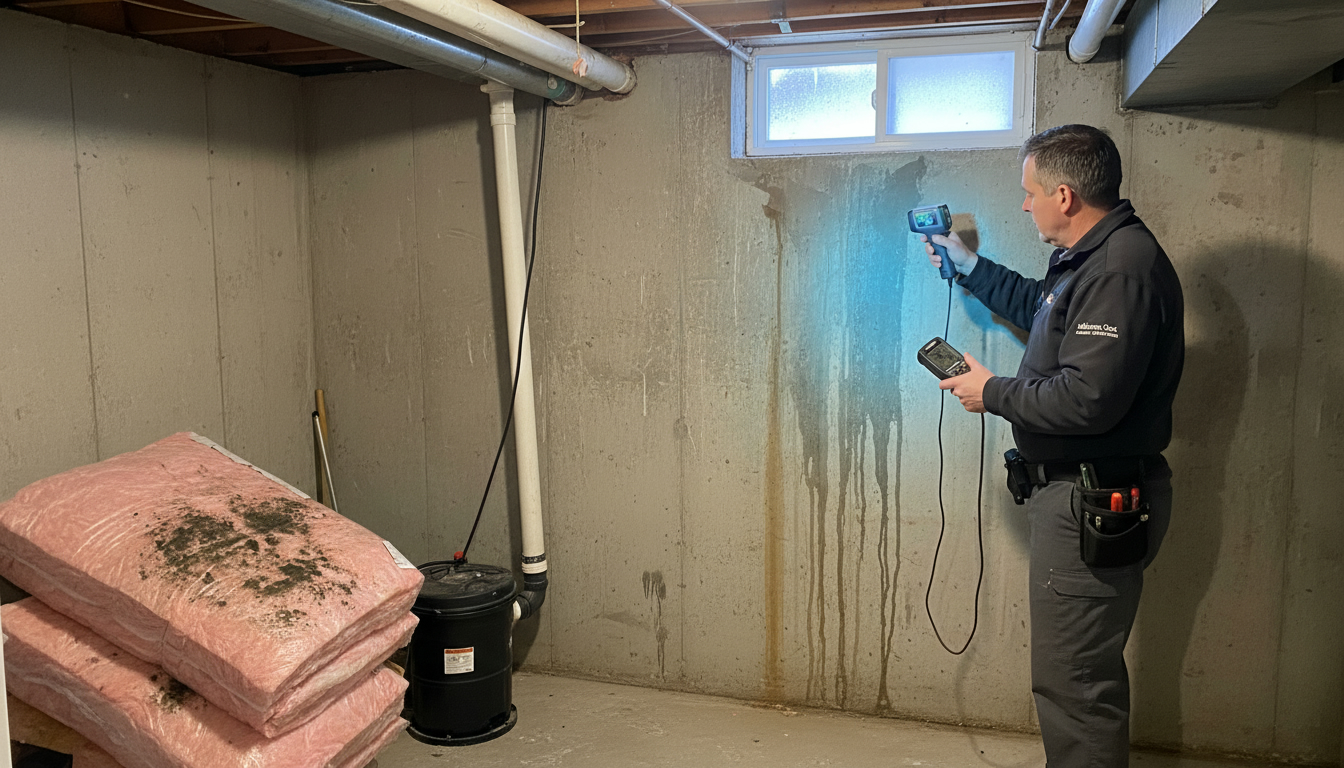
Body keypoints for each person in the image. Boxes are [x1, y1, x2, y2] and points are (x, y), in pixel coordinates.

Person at [922, 124, 1184, 767]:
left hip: (1093, 498)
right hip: (1082, 495)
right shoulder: (1091, 260)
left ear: (1063, 195)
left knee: (1075, 686)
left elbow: (1088, 400)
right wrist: (971, 268)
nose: (1024, 204)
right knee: (1074, 678)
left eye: (1029, 192)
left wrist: (994, 391)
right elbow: (1043, 306)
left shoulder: (1121, 268)